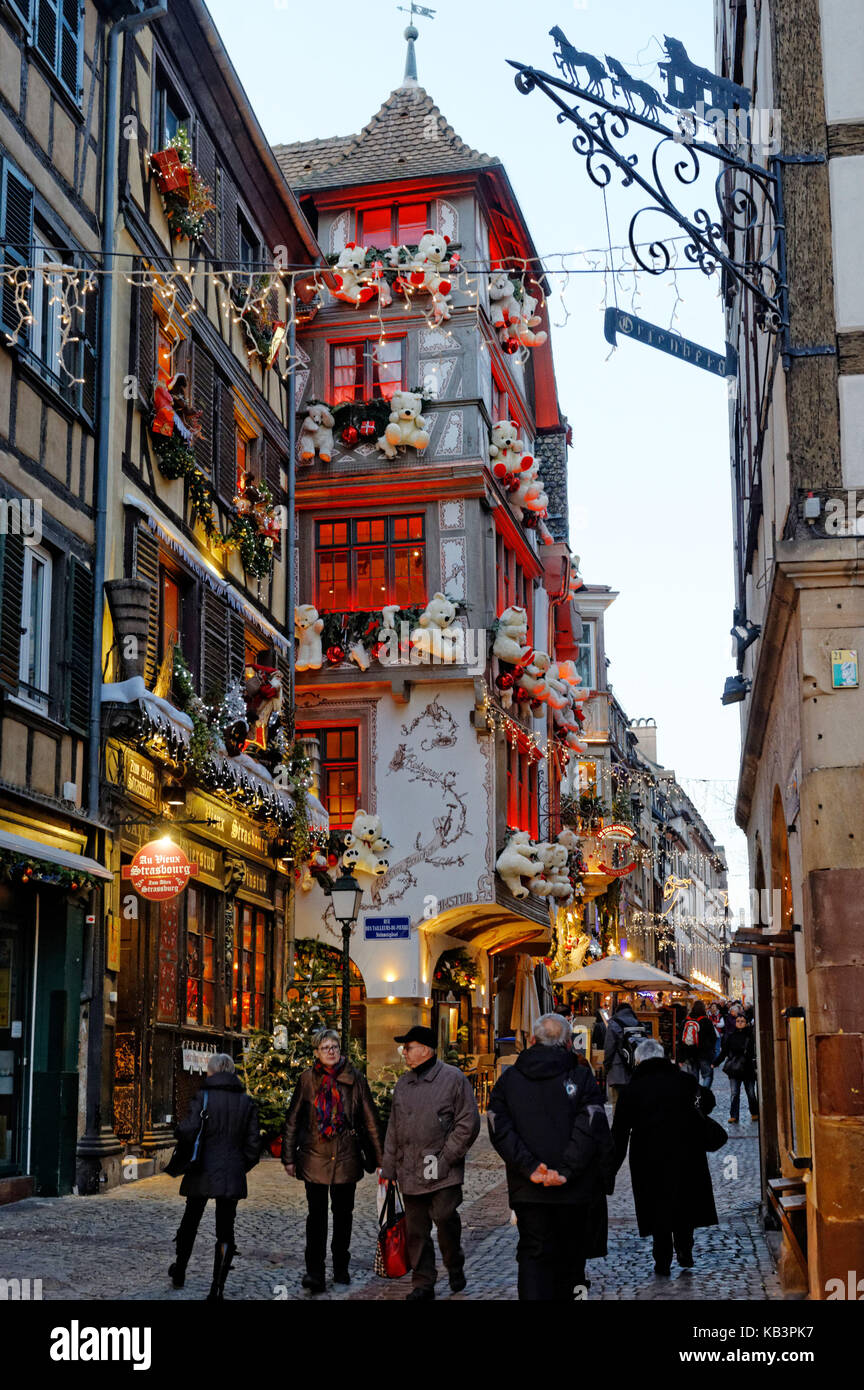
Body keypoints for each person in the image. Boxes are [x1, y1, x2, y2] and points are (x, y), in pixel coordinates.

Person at [487, 1012, 614, 1301]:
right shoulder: (581, 1077)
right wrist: (566, 1170)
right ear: (569, 1043)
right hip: (573, 1188)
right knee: (570, 1257)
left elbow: (498, 1126)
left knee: (533, 1253)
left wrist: (531, 1167)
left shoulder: (510, 1080)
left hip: (530, 1187)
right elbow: (592, 1126)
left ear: (532, 1040)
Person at [380, 1024, 480, 1300]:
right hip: (410, 1168)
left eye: (408, 1048)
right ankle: (423, 1283)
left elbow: (468, 1122)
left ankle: (454, 1261)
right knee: (417, 1231)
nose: (404, 1053)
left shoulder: (452, 1078)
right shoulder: (403, 1083)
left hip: (442, 1167)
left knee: (445, 1217)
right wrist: (388, 1167)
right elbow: (393, 1127)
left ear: (424, 1050)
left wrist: (446, 1157)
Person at [282, 1027, 384, 1293]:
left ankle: (341, 1266)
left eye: (334, 1047)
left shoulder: (355, 1078)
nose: (330, 1051)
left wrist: (380, 1158)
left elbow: (370, 1119)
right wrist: (288, 1157)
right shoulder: (307, 1080)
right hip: (314, 1156)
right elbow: (293, 1119)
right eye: (325, 1047)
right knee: (316, 1217)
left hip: (346, 1156)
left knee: (343, 1216)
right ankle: (314, 1272)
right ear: (316, 1052)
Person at [612, 1038, 718, 1276]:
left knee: (657, 1206)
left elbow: (618, 1133)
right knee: (684, 1200)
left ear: (638, 1061)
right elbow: (708, 1101)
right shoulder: (685, 1081)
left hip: (648, 1157)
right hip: (686, 1151)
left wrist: (608, 1171)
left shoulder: (631, 1091)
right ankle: (685, 1249)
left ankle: (662, 1259)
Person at [169, 1052, 261, 1300]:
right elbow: (254, 1146)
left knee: (191, 1221)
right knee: (225, 1229)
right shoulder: (246, 1102)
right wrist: (239, 1167)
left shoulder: (203, 1096)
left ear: (212, 1073)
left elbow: (188, 1130)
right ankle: (217, 1288)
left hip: (201, 1169)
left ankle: (180, 1270)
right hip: (231, 1171)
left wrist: (178, 1132)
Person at [717, 1013, 759, 1124]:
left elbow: (753, 1052)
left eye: (742, 1021)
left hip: (747, 1068)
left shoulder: (751, 1036)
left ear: (746, 1023)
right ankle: (734, 1115)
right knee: (734, 1093)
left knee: (751, 1093)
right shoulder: (731, 1036)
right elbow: (724, 1051)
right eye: (738, 1021)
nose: (740, 1023)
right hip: (734, 1069)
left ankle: (754, 1112)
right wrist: (715, 1062)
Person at [603, 996, 644, 1107]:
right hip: (634, 1070)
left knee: (617, 1102)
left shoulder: (613, 1023)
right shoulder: (637, 1023)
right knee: (632, 1103)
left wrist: (606, 1066)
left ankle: (618, 1124)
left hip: (617, 1070)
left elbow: (609, 1047)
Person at [678, 1000, 717, 1088]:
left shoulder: (685, 1021)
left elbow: (680, 1040)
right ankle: (704, 1094)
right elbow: (713, 1037)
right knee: (707, 1076)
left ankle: (696, 1097)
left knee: (693, 1079)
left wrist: (680, 1058)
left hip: (689, 1053)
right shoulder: (706, 1021)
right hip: (704, 1054)